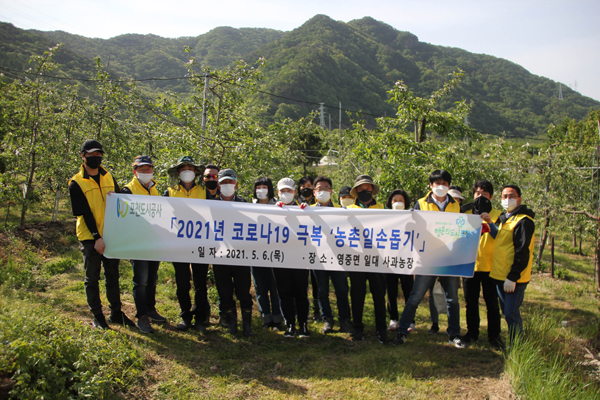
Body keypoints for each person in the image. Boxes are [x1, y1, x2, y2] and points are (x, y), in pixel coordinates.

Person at [394, 169, 466, 348]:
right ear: (431, 185)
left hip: (448, 260)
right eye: (437, 184)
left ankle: (454, 334)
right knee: (415, 297)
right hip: (426, 260)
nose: (441, 187)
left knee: (453, 299)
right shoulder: (420, 204)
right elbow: (413, 229)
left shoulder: (455, 205)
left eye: (444, 184)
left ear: (449, 186)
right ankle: (402, 332)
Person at [68, 139, 134, 329]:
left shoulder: (108, 176)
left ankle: (116, 313)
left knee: (113, 275)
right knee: (92, 278)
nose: (96, 158)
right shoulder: (76, 183)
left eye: (99, 155)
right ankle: (97, 315)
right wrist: (97, 238)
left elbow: (119, 200)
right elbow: (84, 213)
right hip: (90, 238)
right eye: (92, 155)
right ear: (83, 156)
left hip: (110, 234)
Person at [120, 155, 166, 334]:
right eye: (142, 170)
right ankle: (141, 316)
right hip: (138, 243)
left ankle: (150, 308)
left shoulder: (154, 189)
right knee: (141, 280)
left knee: (152, 278)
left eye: (149, 170)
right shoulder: (127, 190)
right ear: (135, 171)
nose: (146, 173)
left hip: (153, 242)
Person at [164, 156, 209, 332]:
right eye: (183, 169)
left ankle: (200, 318)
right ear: (178, 172)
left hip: (201, 243)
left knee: (200, 283)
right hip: (179, 245)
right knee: (182, 282)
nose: (187, 171)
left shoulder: (205, 192)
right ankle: (185, 316)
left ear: (196, 172)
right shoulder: (169, 191)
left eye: (190, 168)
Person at [487, 184, 535, 344]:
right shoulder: (505, 219)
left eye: (512, 196)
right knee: (507, 313)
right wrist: (490, 224)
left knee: (511, 314)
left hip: (513, 278)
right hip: (500, 276)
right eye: (505, 196)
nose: (508, 199)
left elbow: (522, 251)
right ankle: (514, 344)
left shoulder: (523, 221)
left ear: (519, 199)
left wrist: (513, 277)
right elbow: (499, 238)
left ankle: (517, 348)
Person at [210, 168, 254, 337]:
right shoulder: (210, 204)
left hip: (240, 256)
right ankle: (232, 324)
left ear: (236, 184)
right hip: (220, 256)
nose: (227, 185)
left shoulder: (245, 205)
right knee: (225, 292)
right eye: (223, 182)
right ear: (219, 186)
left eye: (230, 182)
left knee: (243, 292)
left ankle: (247, 326)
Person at [461, 180, 504, 349]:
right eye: (477, 193)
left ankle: (494, 336)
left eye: (484, 194)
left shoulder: (498, 215)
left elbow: (501, 239)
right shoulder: (465, 213)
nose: (480, 197)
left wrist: (490, 223)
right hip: (469, 265)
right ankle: (472, 333)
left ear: (491, 197)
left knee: (492, 303)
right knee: (470, 302)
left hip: (490, 266)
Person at [347, 175, 388, 343]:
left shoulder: (383, 208)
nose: (365, 191)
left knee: (379, 295)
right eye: (361, 189)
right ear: (356, 191)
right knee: (357, 295)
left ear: (373, 189)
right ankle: (357, 329)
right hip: (357, 259)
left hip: (377, 260)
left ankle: (381, 330)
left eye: (367, 188)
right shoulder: (348, 210)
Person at [310, 176, 353, 334]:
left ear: (332, 191)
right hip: (318, 258)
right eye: (319, 189)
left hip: (337, 257)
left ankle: (345, 320)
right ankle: (327, 319)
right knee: (322, 291)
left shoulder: (341, 211)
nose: (323, 191)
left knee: (342, 289)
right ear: (314, 193)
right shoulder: (306, 210)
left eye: (326, 188)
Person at [273, 177, 311, 338]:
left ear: (295, 192)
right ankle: (290, 324)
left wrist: (309, 211)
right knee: (284, 293)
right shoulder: (272, 210)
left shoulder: (303, 209)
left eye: (289, 190)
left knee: (301, 292)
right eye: (282, 191)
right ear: (277, 193)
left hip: (299, 258)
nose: (285, 194)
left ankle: (303, 324)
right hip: (280, 258)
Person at [250, 177, 284, 331]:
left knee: (275, 288)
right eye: (258, 187)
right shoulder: (249, 206)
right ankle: (266, 319)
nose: (261, 189)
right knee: (260, 288)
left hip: (275, 254)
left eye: (264, 186)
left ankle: (277, 319)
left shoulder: (279, 206)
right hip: (256, 254)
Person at [384, 189, 415, 332]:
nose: (397, 203)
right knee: (391, 291)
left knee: (408, 290)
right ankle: (393, 319)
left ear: (406, 202)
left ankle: (410, 320)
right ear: (390, 203)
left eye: (400, 200)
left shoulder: (413, 217)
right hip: (389, 260)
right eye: (394, 200)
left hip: (406, 259)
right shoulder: (384, 217)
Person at [297, 176, 320, 321]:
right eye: (303, 186)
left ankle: (318, 309)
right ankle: (304, 309)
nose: (306, 188)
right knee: (302, 282)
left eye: (309, 185)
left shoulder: (318, 202)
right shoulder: (294, 203)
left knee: (317, 281)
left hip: (318, 247)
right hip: (300, 248)